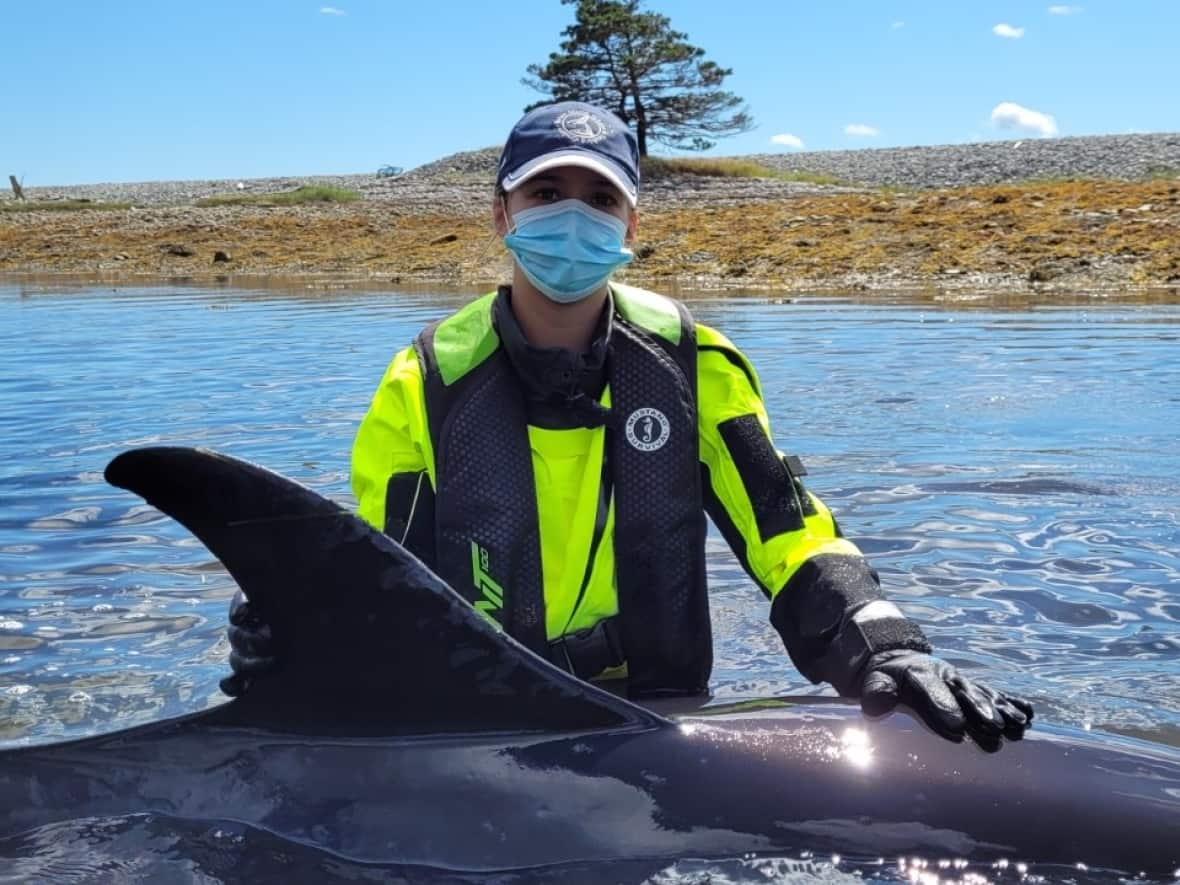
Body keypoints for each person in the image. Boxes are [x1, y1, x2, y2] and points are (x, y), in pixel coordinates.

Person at [222, 101, 1033, 749]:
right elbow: (386, 566)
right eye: (545, 194)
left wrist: (885, 644)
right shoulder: (423, 383)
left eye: (601, 198)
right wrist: (302, 631)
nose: (572, 219)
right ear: (501, 212)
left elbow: (789, 532)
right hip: (480, 726)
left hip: (662, 720)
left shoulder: (693, 364)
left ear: (631, 225)